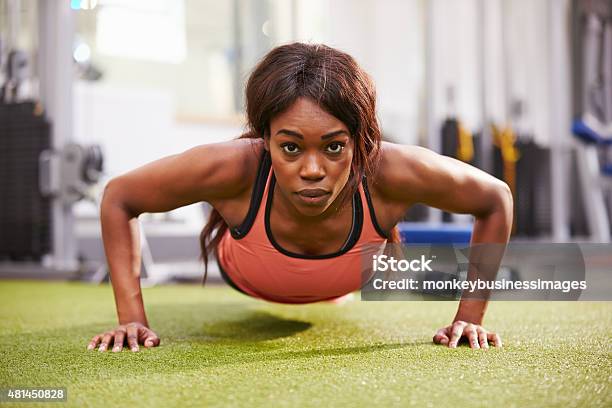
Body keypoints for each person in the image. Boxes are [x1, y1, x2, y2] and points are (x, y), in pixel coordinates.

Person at [87, 42, 511, 353]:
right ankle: (223, 209)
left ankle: (328, 279)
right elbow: (120, 197)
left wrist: (469, 318)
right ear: (265, 138)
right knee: (224, 189)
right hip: (247, 268)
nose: (312, 169)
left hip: (346, 275)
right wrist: (131, 320)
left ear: (359, 141)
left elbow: (495, 198)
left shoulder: (392, 171)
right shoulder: (231, 165)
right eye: (290, 147)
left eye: (333, 147)